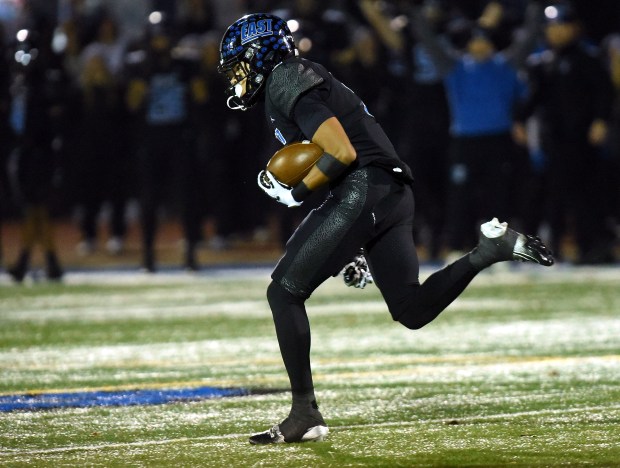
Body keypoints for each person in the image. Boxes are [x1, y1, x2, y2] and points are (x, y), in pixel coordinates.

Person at [217, 13, 554, 445]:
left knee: (283, 292)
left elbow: (339, 152)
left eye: (240, 65)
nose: (237, 78)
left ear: (260, 54)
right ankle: (488, 249)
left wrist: (295, 192)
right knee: (410, 310)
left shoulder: (285, 77)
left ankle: (304, 413)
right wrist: (350, 245)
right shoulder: (299, 78)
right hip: (391, 192)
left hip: (365, 188)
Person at [513, 2, 615, 263]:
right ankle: (553, 248)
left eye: (562, 27)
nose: (556, 32)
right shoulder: (543, 63)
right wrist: (519, 120)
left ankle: (592, 246)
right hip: (554, 140)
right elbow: (533, 98)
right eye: (553, 27)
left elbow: (604, 93)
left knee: (586, 193)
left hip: (583, 139)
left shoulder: (588, 59)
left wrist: (601, 120)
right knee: (554, 195)